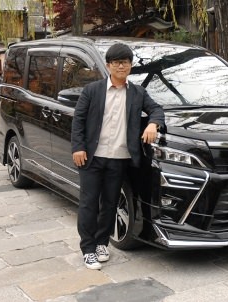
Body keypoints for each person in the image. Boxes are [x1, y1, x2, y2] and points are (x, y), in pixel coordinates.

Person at [71, 43, 165, 270]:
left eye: (125, 62)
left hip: (119, 157)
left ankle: (102, 243)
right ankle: (88, 248)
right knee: (89, 204)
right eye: (116, 62)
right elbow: (79, 120)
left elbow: (157, 110)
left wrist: (153, 124)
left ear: (131, 66)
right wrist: (78, 147)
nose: (121, 66)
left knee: (111, 203)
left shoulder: (137, 93)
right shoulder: (92, 90)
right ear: (108, 65)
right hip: (92, 157)